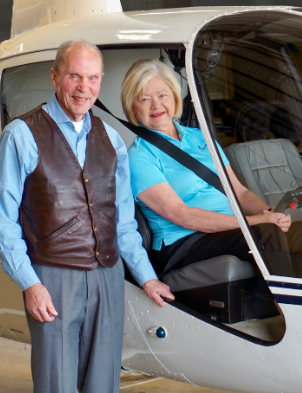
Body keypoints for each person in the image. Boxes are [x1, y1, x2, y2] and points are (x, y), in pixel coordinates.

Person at [0, 41, 174, 393]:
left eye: (92, 78)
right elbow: (5, 219)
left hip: (107, 274)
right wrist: (30, 283)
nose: (83, 88)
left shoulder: (112, 140)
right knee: (55, 386)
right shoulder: (21, 135)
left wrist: (147, 277)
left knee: (104, 387)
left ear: (101, 80)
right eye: (74, 76)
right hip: (52, 276)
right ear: (56, 77)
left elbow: (122, 223)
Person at [121, 58, 301, 279]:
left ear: (175, 97)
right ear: (132, 106)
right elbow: (183, 216)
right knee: (266, 235)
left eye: (162, 95)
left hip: (231, 231)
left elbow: (240, 192)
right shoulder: (139, 156)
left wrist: (271, 215)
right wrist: (256, 222)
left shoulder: (202, 137)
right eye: (144, 99)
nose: (156, 105)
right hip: (184, 242)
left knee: (292, 231)